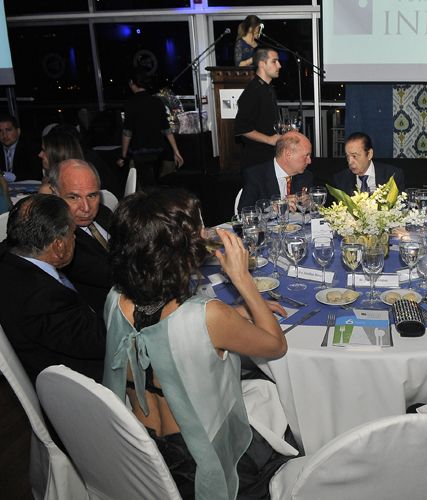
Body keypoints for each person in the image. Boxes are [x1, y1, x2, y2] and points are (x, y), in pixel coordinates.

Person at [103, 189, 290, 498]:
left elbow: (163, 329)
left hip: (142, 448)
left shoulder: (114, 300)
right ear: (179, 248)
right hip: (200, 458)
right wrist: (243, 280)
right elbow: (275, 345)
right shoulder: (207, 316)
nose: (208, 234)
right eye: (200, 229)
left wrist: (230, 316)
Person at [0, 194, 106, 383]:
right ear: (58, 246)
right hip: (82, 386)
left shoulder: (9, 258)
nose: (75, 238)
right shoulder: (42, 298)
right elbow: (103, 342)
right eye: (73, 233)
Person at [49, 159, 112, 314]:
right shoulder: (58, 238)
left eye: (92, 195)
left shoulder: (103, 213)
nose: (86, 208)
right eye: (73, 197)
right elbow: (109, 275)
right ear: (55, 194)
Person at [116, 71, 184, 188]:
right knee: (155, 182)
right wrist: (176, 151)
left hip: (139, 151)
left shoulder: (130, 103)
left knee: (144, 185)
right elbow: (166, 129)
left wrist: (123, 155)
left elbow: (127, 132)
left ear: (132, 83)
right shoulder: (157, 102)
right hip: (157, 151)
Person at [235, 48, 282, 176]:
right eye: (274, 61)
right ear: (262, 64)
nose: (279, 65)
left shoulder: (267, 89)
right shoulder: (253, 91)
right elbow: (242, 128)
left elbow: (265, 121)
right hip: (256, 160)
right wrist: (270, 139)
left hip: (268, 156)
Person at [238, 131, 313, 211]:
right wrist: (272, 209)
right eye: (306, 156)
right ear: (288, 155)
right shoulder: (256, 175)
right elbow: (244, 212)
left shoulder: (306, 176)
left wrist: (308, 204)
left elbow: (314, 210)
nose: (309, 161)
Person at [332, 132, 405, 195]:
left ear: (370, 154)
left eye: (354, 156)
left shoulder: (392, 176)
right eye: (347, 156)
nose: (350, 162)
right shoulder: (340, 179)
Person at [37, 126, 85, 194]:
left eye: (44, 151)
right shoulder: (85, 179)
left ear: (57, 154)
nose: (40, 155)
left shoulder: (48, 190)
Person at [1, 113, 42, 182]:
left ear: (18, 131)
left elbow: (36, 174)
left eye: (8, 130)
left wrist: (6, 175)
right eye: (0, 131)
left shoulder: (32, 147)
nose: (4, 135)